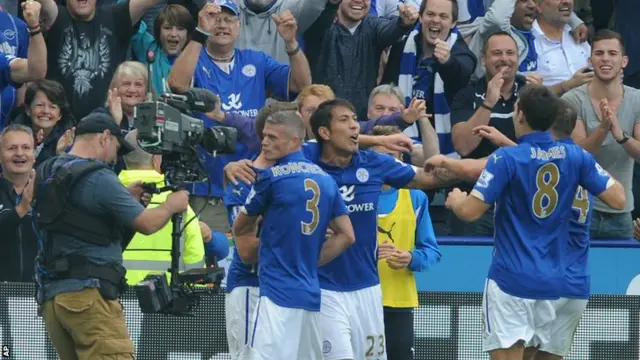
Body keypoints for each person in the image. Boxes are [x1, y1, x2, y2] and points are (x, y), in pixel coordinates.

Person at [224, 98, 460, 360]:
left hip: (368, 288)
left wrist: (464, 167)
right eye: (345, 120)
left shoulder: (375, 164)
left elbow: (429, 178)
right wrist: (231, 166)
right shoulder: (305, 159)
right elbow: (275, 150)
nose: (355, 127)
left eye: (355, 121)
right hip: (325, 289)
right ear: (324, 132)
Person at [442, 85, 625, 360]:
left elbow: (470, 212)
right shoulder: (576, 157)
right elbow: (619, 199)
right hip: (551, 281)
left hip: (511, 279)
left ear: (520, 115)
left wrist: (456, 199)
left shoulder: (506, 158)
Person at [33, 113, 190, 360]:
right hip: (89, 298)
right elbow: (148, 224)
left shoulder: (46, 169)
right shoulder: (99, 177)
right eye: (116, 147)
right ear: (105, 137)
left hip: (53, 300)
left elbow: (77, 215)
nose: (116, 157)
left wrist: (122, 197)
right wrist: (172, 205)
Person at [233, 110, 355, 359]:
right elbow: (347, 235)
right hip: (310, 294)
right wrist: (311, 259)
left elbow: (240, 227)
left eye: (273, 137)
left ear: (295, 141)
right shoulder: (327, 181)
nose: (265, 142)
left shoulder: (270, 179)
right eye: (264, 136)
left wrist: (255, 251)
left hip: (275, 293)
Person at [222, 101, 294, 360]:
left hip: (287, 289)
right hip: (250, 288)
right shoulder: (242, 178)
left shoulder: (298, 176)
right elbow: (248, 251)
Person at [370, 125, 442, 360]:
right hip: (360, 298)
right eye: (377, 156)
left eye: (390, 157)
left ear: (401, 158)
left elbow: (431, 251)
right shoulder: (352, 194)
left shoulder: (415, 198)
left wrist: (411, 258)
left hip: (398, 301)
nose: (383, 163)